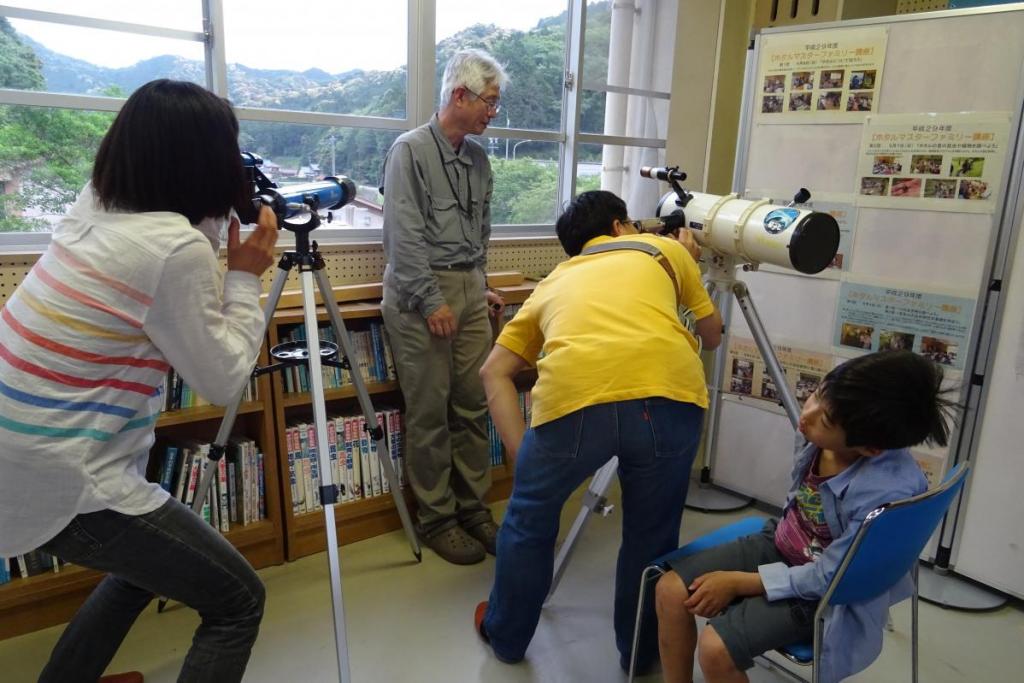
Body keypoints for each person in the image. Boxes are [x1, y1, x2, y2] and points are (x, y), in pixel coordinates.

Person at [0, 79, 278, 683]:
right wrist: (245, 275)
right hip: (68, 477)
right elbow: (226, 379)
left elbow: (167, 246)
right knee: (237, 602)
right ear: (203, 161)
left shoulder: (94, 205)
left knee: (142, 569)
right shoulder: (171, 250)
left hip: (17, 455)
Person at [473, 190, 723, 672]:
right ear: (618, 226)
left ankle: (506, 637)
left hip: (573, 400)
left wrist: (524, 454)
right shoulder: (668, 251)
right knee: (652, 535)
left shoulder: (552, 282)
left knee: (529, 520)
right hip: (668, 396)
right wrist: (687, 263)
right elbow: (711, 336)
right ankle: (641, 655)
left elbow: (493, 373)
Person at [654, 351, 957, 683]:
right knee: (670, 590)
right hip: (785, 543)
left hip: (823, 594)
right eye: (818, 394)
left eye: (825, 420)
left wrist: (741, 582)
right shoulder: (819, 437)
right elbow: (798, 502)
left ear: (870, 449)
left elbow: (833, 577)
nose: (806, 415)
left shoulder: (886, 494)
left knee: (715, 650)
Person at [379, 49, 508, 565]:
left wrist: (480, 284)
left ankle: (474, 510)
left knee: (473, 406)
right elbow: (402, 236)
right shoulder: (408, 151)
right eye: (489, 102)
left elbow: (480, 232)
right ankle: (437, 519)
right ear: (460, 95)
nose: (493, 113)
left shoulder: (479, 159)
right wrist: (433, 299)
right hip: (419, 295)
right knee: (430, 412)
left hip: (468, 292)